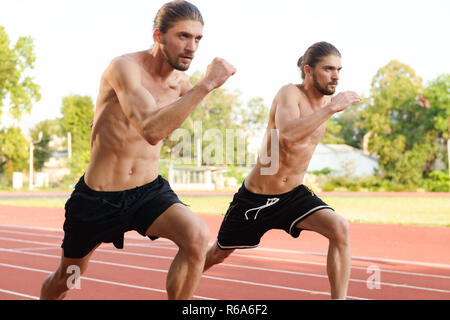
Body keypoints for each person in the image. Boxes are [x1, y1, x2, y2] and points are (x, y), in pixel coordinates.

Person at [40, 0, 236, 300]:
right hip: (97, 199)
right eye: (183, 36)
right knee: (68, 279)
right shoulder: (124, 67)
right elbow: (151, 130)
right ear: (158, 36)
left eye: (197, 39)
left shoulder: (181, 84)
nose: (192, 47)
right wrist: (207, 84)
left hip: (147, 193)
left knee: (197, 236)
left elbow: (167, 130)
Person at [204, 41, 361, 300]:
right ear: (308, 70)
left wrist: (330, 106)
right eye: (329, 69)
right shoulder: (289, 93)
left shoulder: (327, 102)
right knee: (217, 254)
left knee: (340, 228)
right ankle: (183, 285)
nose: (336, 76)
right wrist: (332, 108)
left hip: (292, 195)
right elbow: (287, 136)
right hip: (255, 197)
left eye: (339, 70)